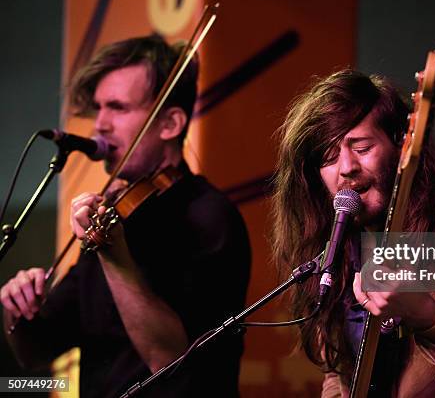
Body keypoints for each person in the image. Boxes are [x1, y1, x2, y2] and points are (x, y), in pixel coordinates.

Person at [1, 35, 251, 397]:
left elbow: (169, 361)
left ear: (171, 124)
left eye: (117, 107)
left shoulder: (209, 217)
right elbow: (36, 354)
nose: (99, 124)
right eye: (99, 108)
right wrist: (17, 309)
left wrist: (113, 255)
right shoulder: (115, 214)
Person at [271, 69, 435, 397]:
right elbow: (337, 375)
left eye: (361, 146)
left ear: (399, 143)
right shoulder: (335, 251)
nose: (346, 167)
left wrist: (426, 316)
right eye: (328, 157)